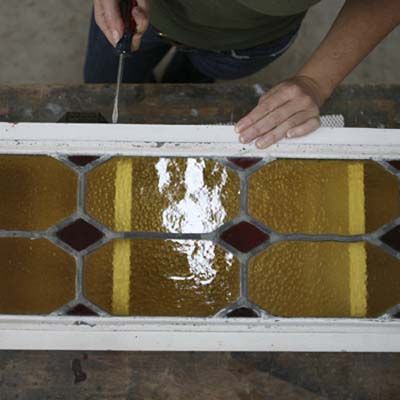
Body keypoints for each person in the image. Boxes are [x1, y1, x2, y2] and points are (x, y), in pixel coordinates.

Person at [85, 0, 400, 148]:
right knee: (101, 91)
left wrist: (317, 80)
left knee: (187, 90)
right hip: (138, 14)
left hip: (243, 45)